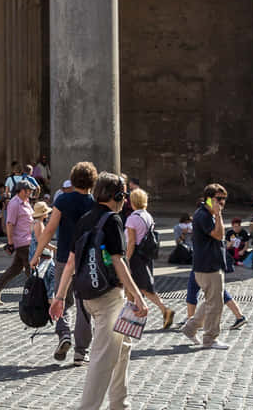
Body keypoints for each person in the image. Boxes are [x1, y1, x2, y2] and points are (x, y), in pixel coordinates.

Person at [50, 172, 150, 410]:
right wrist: (137, 295)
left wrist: (60, 296)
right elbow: (119, 262)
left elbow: (71, 262)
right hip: (109, 299)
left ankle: (119, 403)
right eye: (123, 195)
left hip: (87, 297)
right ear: (116, 195)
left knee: (122, 348)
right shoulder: (113, 220)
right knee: (102, 358)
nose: (124, 200)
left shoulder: (85, 219)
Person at [31, 160, 98, 363]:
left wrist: (36, 255)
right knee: (84, 305)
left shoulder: (63, 201)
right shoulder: (95, 203)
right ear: (92, 181)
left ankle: (64, 333)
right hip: (87, 260)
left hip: (62, 259)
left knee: (62, 300)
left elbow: (49, 230)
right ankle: (81, 351)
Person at [178, 183, 231, 349]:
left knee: (212, 300)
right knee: (215, 303)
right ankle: (210, 338)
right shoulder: (204, 216)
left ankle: (190, 328)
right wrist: (219, 215)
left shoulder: (208, 214)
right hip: (208, 266)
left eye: (224, 199)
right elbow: (219, 235)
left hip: (209, 264)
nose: (222, 202)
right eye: (218, 199)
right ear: (209, 199)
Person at [124, 187, 175, 328]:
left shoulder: (132, 219)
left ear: (132, 202)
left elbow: (131, 242)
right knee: (131, 287)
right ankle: (130, 316)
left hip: (135, 257)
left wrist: (126, 260)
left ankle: (165, 309)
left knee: (143, 287)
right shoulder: (147, 216)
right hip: (145, 256)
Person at [0, 174, 37, 305]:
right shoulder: (14, 203)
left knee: (15, 269)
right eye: (29, 191)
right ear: (21, 190)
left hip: (27, 240)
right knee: (31, 271)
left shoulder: (25, 202)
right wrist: (10, 242)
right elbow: (9, 224)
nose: (30, 193)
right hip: (22, 242)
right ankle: (36, 296)